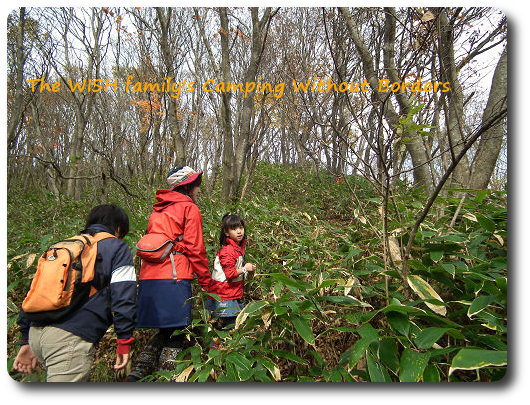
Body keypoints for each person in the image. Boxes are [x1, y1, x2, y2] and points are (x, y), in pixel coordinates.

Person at [12, 204, 137, 382]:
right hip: (69, 339)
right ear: (118, 229)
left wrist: (25, 340)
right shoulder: (117, 247)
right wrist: (124, 339)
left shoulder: (61, 246)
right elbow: (124, 295)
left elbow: (34, 292)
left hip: (36, 334)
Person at [127, 166, 213, 381]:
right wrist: (206, 281)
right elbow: (196, 247)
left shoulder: (157, 209)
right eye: (197, 184)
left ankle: (140, 371)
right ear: (188, 185)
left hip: (149, 277)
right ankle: (167, 377)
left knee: (166, 328)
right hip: (174, 276)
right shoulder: (189, 208)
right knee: (178, 329)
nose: (199, 189)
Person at [207, 213, 256, 344]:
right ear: (226, 232)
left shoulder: (238, 248)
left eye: (241, 227)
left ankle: (220, 353)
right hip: (223, 294)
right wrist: (246, 268)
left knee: (228, 327)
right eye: (234, 229)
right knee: (227, 327)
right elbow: (230, 274)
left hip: (231, 293)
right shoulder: (228, 251)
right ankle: (217, 354)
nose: (239, 231)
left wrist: (247, 269)